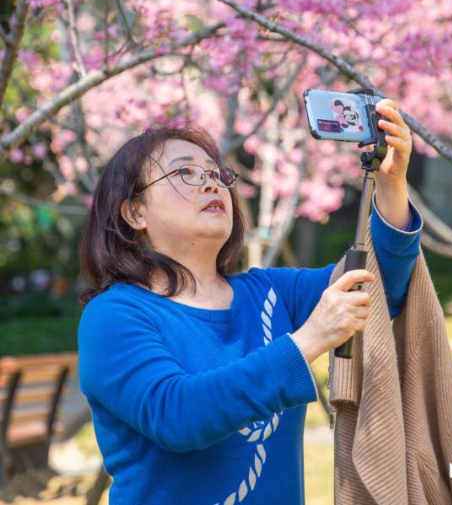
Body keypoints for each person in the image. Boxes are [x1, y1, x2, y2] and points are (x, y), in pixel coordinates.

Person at [77, 98, 423, 505]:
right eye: (184, 173)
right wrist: (307, 342)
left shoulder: (273, 293)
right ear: (135, 213)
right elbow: (177, 417)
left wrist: (392, 183)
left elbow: (382, 290)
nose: (211, 184)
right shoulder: (114, 316)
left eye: (216, 174)